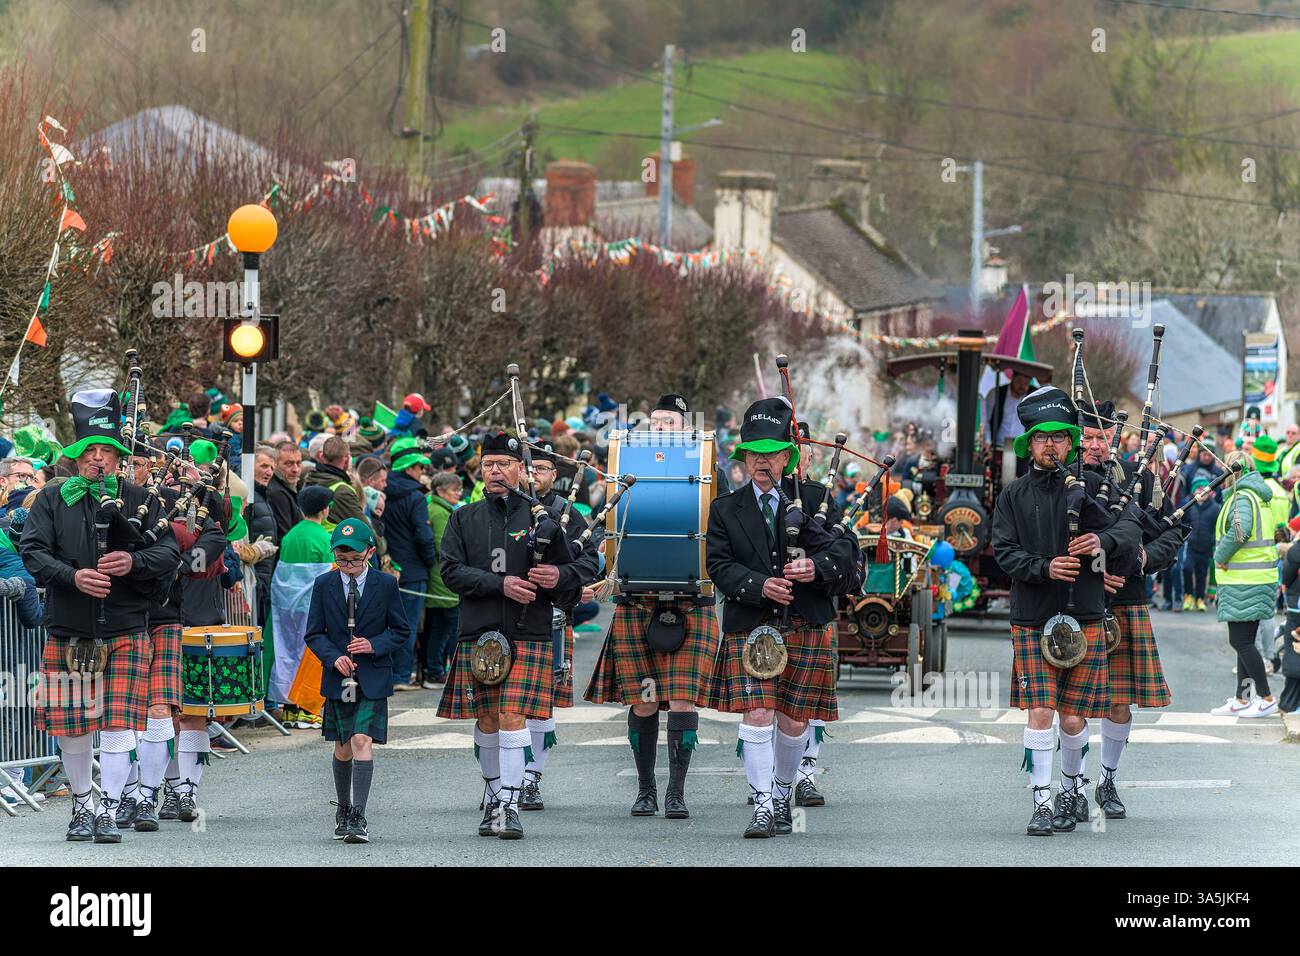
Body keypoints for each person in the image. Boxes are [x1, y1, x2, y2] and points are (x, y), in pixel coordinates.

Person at [20, 388, 180, 843]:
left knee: (116, 721)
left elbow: (169, 551)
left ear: (119, 457)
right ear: (76, 455)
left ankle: (108, 809)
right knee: (73, 726)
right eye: (90, 450)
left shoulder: (139, 499)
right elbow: (32, 551)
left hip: (127, 624)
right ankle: (82, 804)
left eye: (107, 451)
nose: (98, 459)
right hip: (70, 627)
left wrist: (135, 563)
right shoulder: (53, 498)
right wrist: (72, 578)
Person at [990, 386, 1139, 836]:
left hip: (1087, 614)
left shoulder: (1094, 487)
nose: (1050, 444)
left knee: (1074, 718)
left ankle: (1072, 788)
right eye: (1041, 437)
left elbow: (1131, 525)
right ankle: (1041, 800)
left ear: (1069, 442)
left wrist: (1103, 541)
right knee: (1040, 711)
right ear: (1029, 444)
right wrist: (1045, 567)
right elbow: (1003, 552)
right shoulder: (1013, 495)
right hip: (1034, 614)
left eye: (1059, 436)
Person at [704, 397, 856, 838]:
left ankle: (783, 789)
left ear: (788, 456)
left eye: (771, 452)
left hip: (805, 622)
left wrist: (816, 568)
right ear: (743, 458)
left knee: (793, 720)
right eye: (754, 453)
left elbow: (847, 556)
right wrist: (758, 585)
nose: (762, 461)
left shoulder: (815, 500)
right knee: (756, 713)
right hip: (751, 626)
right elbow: (719, 565)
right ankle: (764, 804)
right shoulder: (724, 509)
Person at [584, 394, 726, 819]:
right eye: (657, 420)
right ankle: (645, 789)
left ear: (687, 428)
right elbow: (599, 526)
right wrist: (594, 568)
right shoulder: (625, 471)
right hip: (638, 599)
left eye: (671, 421)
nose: (662, 426)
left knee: (682, 700)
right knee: (644, 700)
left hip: (691, 599)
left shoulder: (708, 472)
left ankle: (676, 792)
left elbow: (724, 528)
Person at [436, 432, 581, 840]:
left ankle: (509, 805)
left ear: (521, 469)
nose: (495, 471)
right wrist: (499, 584)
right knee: (487, 720)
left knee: (512, 717)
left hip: (528, 632)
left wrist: (558, 576)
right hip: (479, 633)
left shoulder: (543, 520)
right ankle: (495, 793)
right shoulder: (463, 518)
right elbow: (450, 571)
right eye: (488, 464)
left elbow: (571, 575)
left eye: (503, 464)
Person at [1077, 400, 1185, 821]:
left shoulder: (1139, 481)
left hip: (1127, 600)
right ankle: (1072, 787)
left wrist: (1140, 558)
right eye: (1086, 437)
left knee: (1118, 702)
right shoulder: (1063, 482)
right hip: (1076, 602)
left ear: (1114, 440)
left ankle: (1107, 780)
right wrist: (1092, 575)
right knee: (1073, 705)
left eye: (1101, 437)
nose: (1093, 446)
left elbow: (1171, 534)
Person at [304, 517, 411, 844]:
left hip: (373, 676)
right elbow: (314, 633)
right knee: (343, 747)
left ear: (370, 551)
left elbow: (401, 631)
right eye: (341, 559)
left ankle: (358, 815)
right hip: (339, 678)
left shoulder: (386, 584)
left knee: (361, 740)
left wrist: (374, 644)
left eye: (354, 559)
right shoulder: (324, 585)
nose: (347, 566)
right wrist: (332, 655)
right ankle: (344, 807)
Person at [518, 441, 600, 811]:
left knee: (541, 702)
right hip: (504, 616)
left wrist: (572, 583)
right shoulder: (505, 509)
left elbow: (588, 561)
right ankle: (502, 782)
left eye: (543, 469)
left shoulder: (572, 515)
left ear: (555, 474)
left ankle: (531, 779)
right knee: (501, 704)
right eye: (529, 467)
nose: (534, 474)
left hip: (549, 617)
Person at [1210, 451, 1280, 718]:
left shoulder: (1241, 496)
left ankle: (1266, 697)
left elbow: (1241, 530)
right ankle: (1242, 698)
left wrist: (1220, 556)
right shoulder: (1256, 495)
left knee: (1240, 641)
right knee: (1245, 641)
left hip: (1244, 578)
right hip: (1256, 577)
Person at [278, 484, 337, 729]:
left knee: (289, 654)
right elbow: (332, 574)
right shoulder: (325, 538)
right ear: (325, 510)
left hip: (286, 606)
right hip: (313, 606)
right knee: (312, 656)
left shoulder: (290, 536)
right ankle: (308, 707)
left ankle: (289, 708)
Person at [383, 437, 437, 689]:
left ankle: (390, 673)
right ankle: (402, 675)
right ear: (409, 467)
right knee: (407, 624)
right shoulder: (415, 497)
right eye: (419, 467)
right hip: (413, 570)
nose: (422, 471)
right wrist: (431, 561)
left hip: (386, 566)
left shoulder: (382, 490)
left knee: (387, 623)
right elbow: (423, 535)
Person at [422, 471, 462, 688]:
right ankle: (437, 670)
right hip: (442, 577)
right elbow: (441, 545)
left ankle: (436, 669)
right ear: (440, 490)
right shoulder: (438, 512)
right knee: (448, 625)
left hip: (441, 575)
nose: (458, 493)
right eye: (453, 489)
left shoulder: (441, 508)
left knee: (441, 626)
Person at [304, 435, 367, 532]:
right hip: (335, 545)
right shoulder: (343, 491)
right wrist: (380, 544)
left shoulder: (309, 480)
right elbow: (365, 529)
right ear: (346, 459)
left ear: (322, 457)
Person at [1179, 476, 1221, 611]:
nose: (1201, 491)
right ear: (1193, 491)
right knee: (1187, 568)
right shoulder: (1188, 504)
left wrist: (1212, 539)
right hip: (1190, 545)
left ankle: (1200, 598)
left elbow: (1217, 527)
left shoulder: (1215, 507)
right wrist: (1185, 536)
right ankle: (1188, 595)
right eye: (1198, 488)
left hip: (1205, 546)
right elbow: (1181, 522)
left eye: (1204, 488)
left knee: (1202, 573)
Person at [983, 371, 1031, 452]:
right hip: (997, 446)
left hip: (1022, 449)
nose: (1022, 386)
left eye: (1026, 383)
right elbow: (985, 420)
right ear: (1012, 378)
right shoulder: (996, 393)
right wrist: (987, 440)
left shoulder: (1032, 397)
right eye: (1019, 382)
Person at [266, 440, 303, 542]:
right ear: (275, 464)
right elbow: (286, 536)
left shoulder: (290, 487)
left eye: (299, 463)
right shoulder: (276, 493)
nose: (295, 469)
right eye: (289, 463)